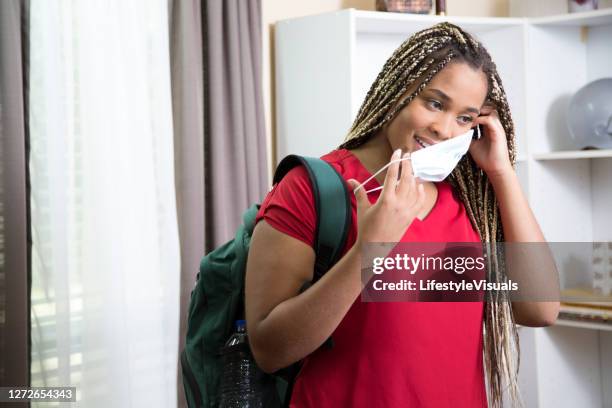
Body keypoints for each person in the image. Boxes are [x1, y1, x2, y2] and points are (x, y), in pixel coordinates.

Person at [245, 22, 559, 408]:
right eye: (434, 103)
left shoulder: (469, 200)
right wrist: (370, 250)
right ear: (398, 91)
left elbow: (540, 309)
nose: (444, 129)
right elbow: (269, 350)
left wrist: (501, 172)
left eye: (465, 118)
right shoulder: (309, 188)